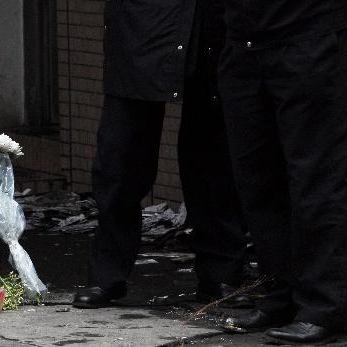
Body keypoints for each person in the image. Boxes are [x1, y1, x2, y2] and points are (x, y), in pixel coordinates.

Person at [73, 0, 249, 309]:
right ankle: (107, 274)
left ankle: (221, 272)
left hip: (209, 19)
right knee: (122, 154)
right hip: (140, 22)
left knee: (213, 155)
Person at [217, 0, 347, 344]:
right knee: (258, 181)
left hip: (308, 37)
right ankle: (281, 296)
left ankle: (324, 307)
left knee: (315, 179)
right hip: (243, 43)